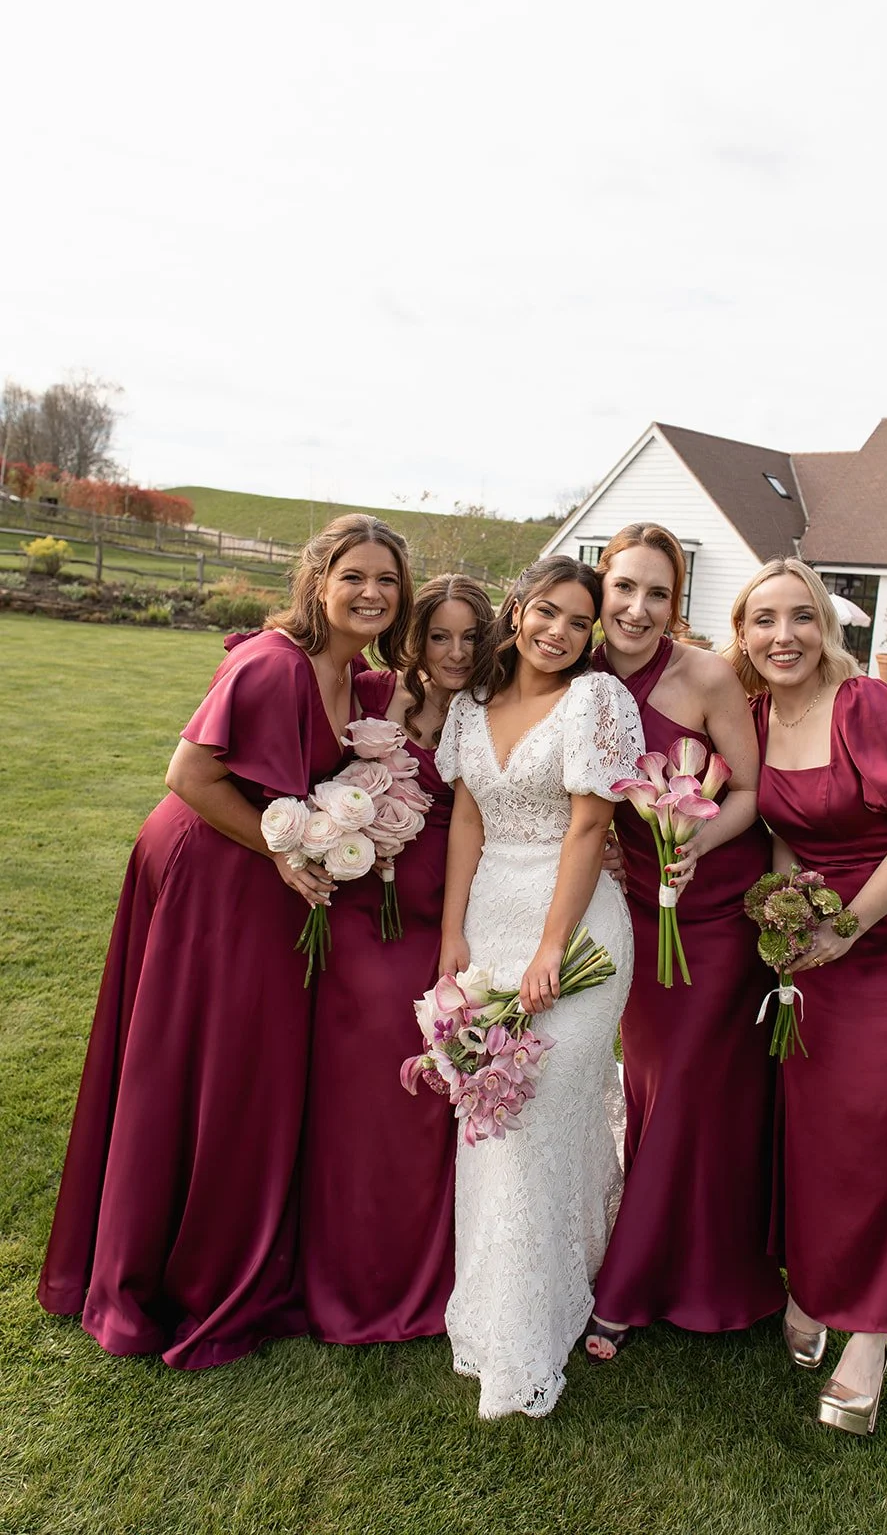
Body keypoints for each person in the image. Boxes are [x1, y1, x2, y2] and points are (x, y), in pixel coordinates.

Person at [37, 514, 413, 1368]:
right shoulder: (271, 664)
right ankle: (156, 1273)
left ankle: (218, 1244)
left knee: (235, 1063)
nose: (371, 593)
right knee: (197, 1061)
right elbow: (189, 775)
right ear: (319, 578)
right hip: (209, 868)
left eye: (386, 580)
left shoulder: (353, 674)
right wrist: (284, 849)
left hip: (254, 872)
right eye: (353, 574)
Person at [725, 556, 887, 1437]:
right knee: (821, 1128)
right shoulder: (753, 715)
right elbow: (788, 835)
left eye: (799, 617)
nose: (781, 636)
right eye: (763, 620)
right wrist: (789, 921)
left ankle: (870, 1331)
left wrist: (847, 928)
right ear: (742, 632)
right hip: (822, 943)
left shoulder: (865, 706)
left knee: (885, 1131)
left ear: (826, 626)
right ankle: (820, 1290)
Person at [436, 556, 641, 1418]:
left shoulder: (597, 703)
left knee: (543, 1110)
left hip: (578, 931)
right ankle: (506, 1294)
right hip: (489, 923)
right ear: (516, 611)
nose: (558, 632)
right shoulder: (468, 709)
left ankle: (536, 1318)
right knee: (494, 1117)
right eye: (546, 612)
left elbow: (590, 823)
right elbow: (467, 822)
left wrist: (552, 947)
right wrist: (452, 932)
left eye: (577, 622)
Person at [581, 523, 783, 1361]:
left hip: (713, 906)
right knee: (656, 1089)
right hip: (632, 911)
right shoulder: (573, 675)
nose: (637, 608)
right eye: (624, 588)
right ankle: (698, 1261)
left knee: (694, 1087)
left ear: (677, 601)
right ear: (600, 589)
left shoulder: (703, 675)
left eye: (657, 593)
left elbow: (749, 788)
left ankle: (629, 1288)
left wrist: (692, 842)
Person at [300, 574, 495, 1344]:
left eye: (469, 638)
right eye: (438, 635)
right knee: (360, 1088)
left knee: (427, 1092)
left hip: (451, 916)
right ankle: (342, 1264)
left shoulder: (492, 709)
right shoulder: (371, 692)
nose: (453, 653)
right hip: (364, 911)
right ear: (414, 637)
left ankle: (422, 1267)